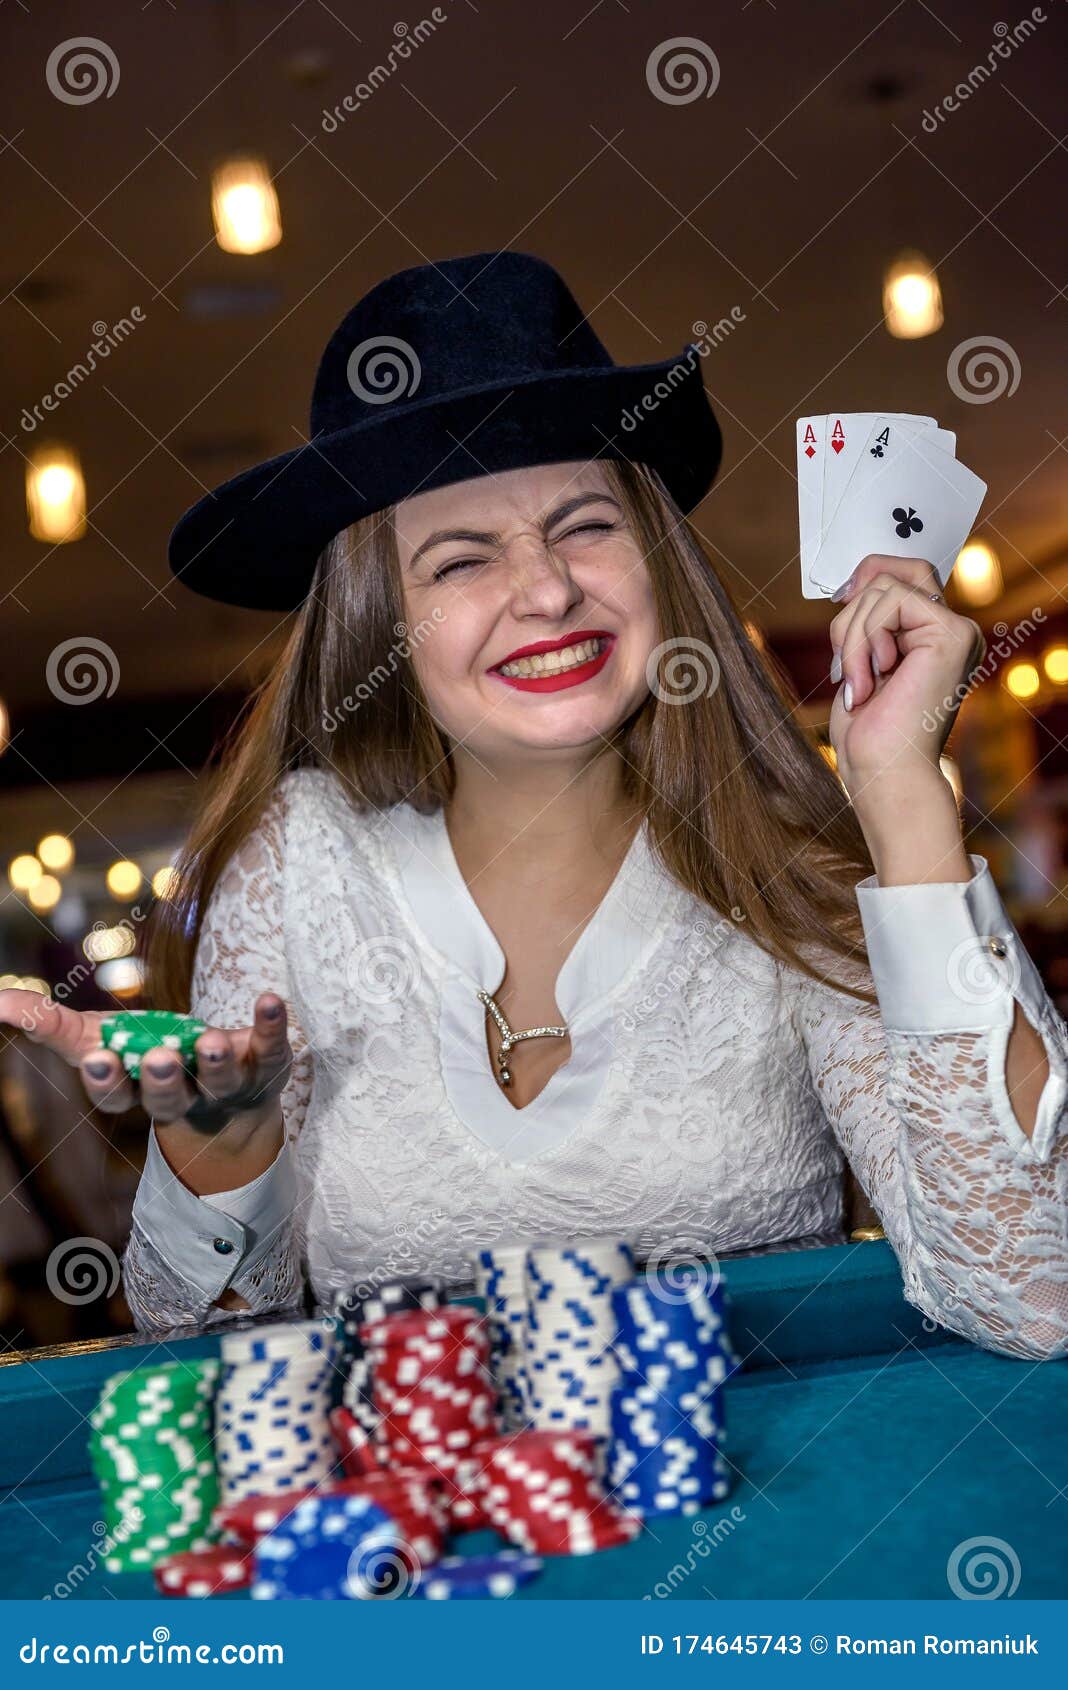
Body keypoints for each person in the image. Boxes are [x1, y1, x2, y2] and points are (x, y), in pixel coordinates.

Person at [2, 252, 1066, 1360]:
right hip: (416, 1535)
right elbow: (208, 1348)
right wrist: (223, 1164)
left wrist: (898, 791)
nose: (548, 589)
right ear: (380, 626)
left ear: (658, 561)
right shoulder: (295, 863)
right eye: (461, 559)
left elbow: (1036, 1301)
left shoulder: (783, 863)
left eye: (587, 526)